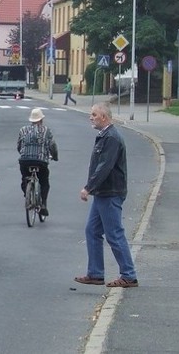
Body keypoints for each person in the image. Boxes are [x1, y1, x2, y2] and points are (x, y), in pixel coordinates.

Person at [75, 102, 139, 288]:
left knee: (114, 234)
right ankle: (95, 273)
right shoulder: (106, 136)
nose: (91, 117)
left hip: (110, 192)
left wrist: (89, 187)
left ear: (104, 117)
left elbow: (105, 166)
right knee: (92, 230)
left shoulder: (111, 137)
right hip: (104, 192)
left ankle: (129, 275)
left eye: (94, 114)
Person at [17, 107, 58, 217]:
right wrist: (54, 156)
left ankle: (28, 194)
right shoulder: (46, 131)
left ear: (31, 120)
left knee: (24, 178)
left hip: (25, 161)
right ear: (41, 120)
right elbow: (52, 146)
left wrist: (22, 153)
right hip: (41, 161)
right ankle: (43, 204)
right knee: (44, 181)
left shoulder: (23, 130)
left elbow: (19, 145)